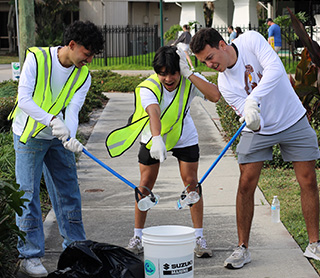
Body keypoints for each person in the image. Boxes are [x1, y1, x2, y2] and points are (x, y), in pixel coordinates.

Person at [190, 28, 320, 269]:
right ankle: (242, 248)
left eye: (210, 57)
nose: (209, 65)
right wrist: (252, 117)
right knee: (245, 184)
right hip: (259, 129)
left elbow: (276, 70)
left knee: (308, 180)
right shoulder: (224, 82)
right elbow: (244, 111)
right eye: (203, 62)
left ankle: (314, 244)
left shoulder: (251, 40)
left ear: (222, 45)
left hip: (292, 118)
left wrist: (253, 98)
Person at [8, 21, 104, 277]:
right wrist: (52, 121)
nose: (90, 59)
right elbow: (24, 99)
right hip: (29, 135)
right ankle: (30, 255)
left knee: (68, 192)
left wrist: (69, 135)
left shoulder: (83, 75)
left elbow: (72, 110)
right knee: (27, 195)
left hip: (59, 137)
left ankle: (75, 249)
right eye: (87, 53)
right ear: (71, 45)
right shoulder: (37, 59)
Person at [106, 46, 220, 258]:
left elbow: (215, 96)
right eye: (162, 73)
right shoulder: (148, 86)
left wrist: (190, 74)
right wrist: (157, 138)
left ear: (180, 70)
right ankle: (137, 237)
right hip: (153, 137)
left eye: (173, 72)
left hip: (183, 135)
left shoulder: (188, 80)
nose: (168, 78)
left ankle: (199, 239)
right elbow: (153, 112)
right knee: (145, 186)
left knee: (192, 184)